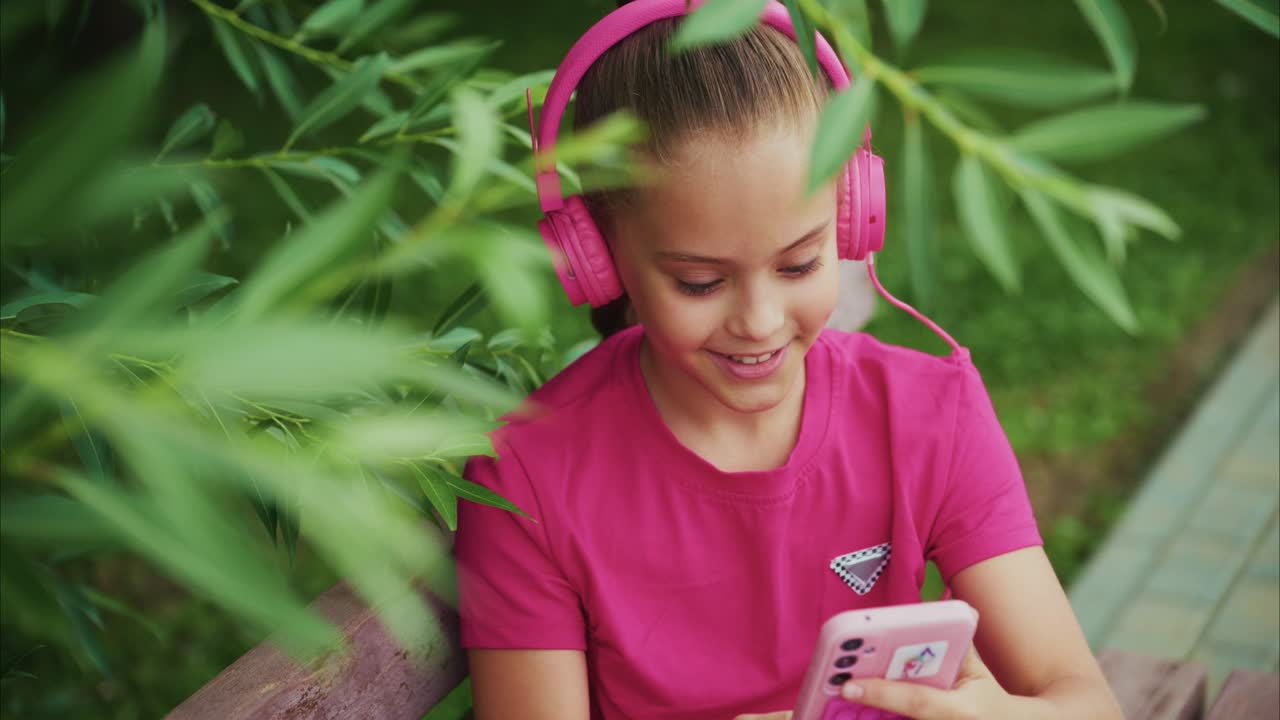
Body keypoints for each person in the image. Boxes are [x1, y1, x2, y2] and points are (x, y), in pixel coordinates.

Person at [453, 2, 1123, 718]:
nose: (761, 322)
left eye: (800, 265)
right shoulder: (528, 478)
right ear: (596, 258)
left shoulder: (929, 413)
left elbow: (1085, 703)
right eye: (700, 282)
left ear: (852, 217)